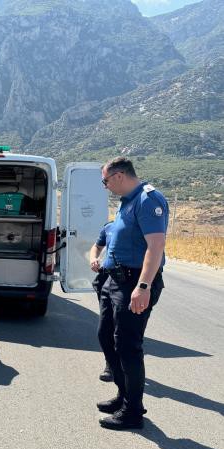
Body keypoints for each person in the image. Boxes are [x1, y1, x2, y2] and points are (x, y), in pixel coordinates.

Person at [97, 157, 168, 430]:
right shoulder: (127, 201)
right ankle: (123, 395)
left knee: (128, 346)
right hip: (114, 280)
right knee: (106, 336)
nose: (105, 187)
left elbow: (155, 246)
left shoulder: (148, 200)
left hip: (133, 283)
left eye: (105, 181)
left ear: (118, 176)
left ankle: (133, 411)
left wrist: (143, 286)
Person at [90, 221, 113, 382]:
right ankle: (110, 364)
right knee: (106, 326)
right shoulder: (109, 227)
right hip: (106, 278)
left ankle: (120, 365)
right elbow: (97, 246)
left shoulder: (136, 226)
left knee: (122, 328)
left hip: (129, 281)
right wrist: (94, 258)